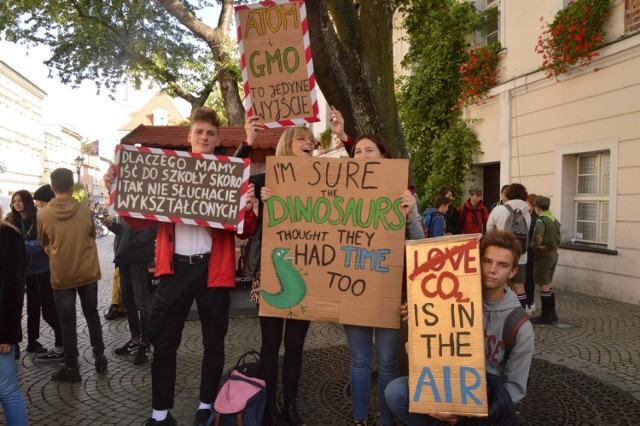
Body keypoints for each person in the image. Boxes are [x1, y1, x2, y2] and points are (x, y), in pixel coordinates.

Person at [103, 107, 258, 426]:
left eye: (210, 134)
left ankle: (205, 406)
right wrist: (116, 189)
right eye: (199, 132)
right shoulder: (168, 174)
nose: (204, 137)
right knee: (164, 340)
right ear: (190, 137)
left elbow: (246, 230)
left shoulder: (229, 176)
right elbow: (137, 221)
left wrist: (251, 207)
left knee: (214, 342)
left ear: (217, 140)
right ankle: (160, 414)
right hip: (174, 270)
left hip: (213, 272)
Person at [384, 230, 534, 425]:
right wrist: (417, 320)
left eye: (502, 265)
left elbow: (514, 389)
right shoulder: (453, 298)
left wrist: (469, 414)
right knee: (395, 392)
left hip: (486, 403)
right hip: (445, 383)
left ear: (513, 271)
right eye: (487, 261)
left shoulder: (520, 327)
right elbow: (432, 344)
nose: (492, 270)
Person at [238, 116, 315, 426]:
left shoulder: (322, 180)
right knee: (270, 345)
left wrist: (344, 138)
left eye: (311, 141)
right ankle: (268, 408)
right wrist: (257, 207)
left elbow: (360, 179)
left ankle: (290, 407)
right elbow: (228, 179)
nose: (309, 144)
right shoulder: (263, 180)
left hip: (308, 274)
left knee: (295, 346)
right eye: (302, 139)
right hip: (270, 272)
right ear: (287, 145)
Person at [346, 134, 425, 426]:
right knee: (359, 360)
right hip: (353, 289)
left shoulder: (404, 194)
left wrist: (410, 213)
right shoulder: (342, 191)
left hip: (393, 291)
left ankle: (386, 421)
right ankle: (359, 419)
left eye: (370, 150)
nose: (363, 155)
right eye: (357, 151)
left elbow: (419, 244)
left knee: (389, 361)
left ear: (384, 156)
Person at [37, 168, 107, 382]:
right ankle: (100, 357)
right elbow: (92, 235)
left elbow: (44, 241)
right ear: (71, 187)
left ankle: (71, 367)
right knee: (92, 315)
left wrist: (51, 247)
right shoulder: (85, 211)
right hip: (86, 271)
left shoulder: (43, 214)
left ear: (52, 188)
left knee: (67, 322)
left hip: (62, 274)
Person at [6, 189, 62, 358]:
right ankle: (19, 341)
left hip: (41, 269)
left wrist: (19, 245)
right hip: (19, 270)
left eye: (20, 200)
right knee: (19, 306)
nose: (17, 204)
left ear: (27, 202)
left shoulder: (38, 219)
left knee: (43, 307)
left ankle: (44, 341)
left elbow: (41, 246)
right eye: (14, 201)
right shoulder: (10, 220)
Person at [104, 216, 156, 365]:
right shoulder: (127, 208)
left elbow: (151, 230)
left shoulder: (145, 208)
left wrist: (129, 243)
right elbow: (123, 230)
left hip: (138, 260)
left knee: (141, 301)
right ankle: (135, 340)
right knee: (127, 300)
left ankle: (145, 345)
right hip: (124, 259)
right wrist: (112, 226)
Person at [0, 205, 29, 426]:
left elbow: (14, 287)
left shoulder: (9, 236)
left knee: (6, 388)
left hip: (2, 330)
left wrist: (9, 333)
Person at [31, 185, 65, 362]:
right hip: (47, 269)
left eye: (38, 201)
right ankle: (62, 344)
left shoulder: (46, 217)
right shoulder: (46, 216)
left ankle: (62, 346)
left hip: (49, 269)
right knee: (52, 310)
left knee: (50, 311)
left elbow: (41, 244)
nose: (36, 205)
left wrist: (20, 245)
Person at [486, 183, 531, 309]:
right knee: (519, 286)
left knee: (500, 286)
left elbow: (489, 232)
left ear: (507, 194)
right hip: (520, 256)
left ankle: (500, 312)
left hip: (501, 257)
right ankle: (521, 316)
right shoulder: (527, 212)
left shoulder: (498, 210)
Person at [530, 196, 561, 325]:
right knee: (548, 283)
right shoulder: (554, 219)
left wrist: (536, 248)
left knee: (543, 284)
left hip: (544, 254)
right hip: (553, 253)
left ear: (537, 207)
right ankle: (552, 313)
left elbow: (538, 236)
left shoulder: (541, 220)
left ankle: (546, 315)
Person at [524, 193, 538, 315]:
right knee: (528, 278)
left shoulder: (533, 218)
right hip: (529, 250)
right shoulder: (530, 215)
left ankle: (529, 302)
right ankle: (529, 301)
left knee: (528, 278)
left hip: (529, 250)